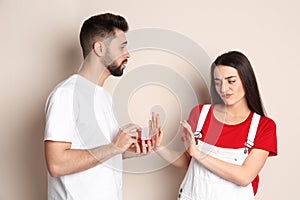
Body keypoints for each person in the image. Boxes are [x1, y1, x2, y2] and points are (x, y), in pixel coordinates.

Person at [44, 13, 152, 200]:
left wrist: (127, 149)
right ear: (100, 48)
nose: (127, 54)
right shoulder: (66, 94)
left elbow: (98, 153)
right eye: (121, 47)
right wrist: (114, 147)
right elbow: (57, 164)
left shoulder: (104, 97)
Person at [151, 51, 278, 199]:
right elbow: (188, 161)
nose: (223, 89)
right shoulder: (200, 115)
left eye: (231, 81)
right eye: (218, 82)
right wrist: (158, 147)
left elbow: (245, 177)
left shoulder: (264, 126)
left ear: (246, 80)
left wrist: (199, 154)